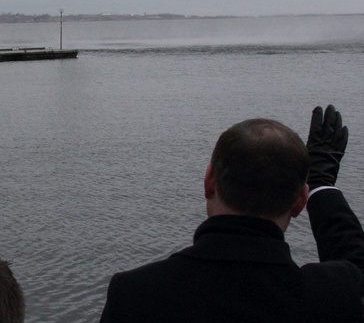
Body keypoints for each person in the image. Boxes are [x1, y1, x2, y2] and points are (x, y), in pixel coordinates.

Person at [99, 105, 364, 322]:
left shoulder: (134, 295)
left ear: (209, 181)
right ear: (299, 202)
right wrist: (322, 185)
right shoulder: (333, 297)